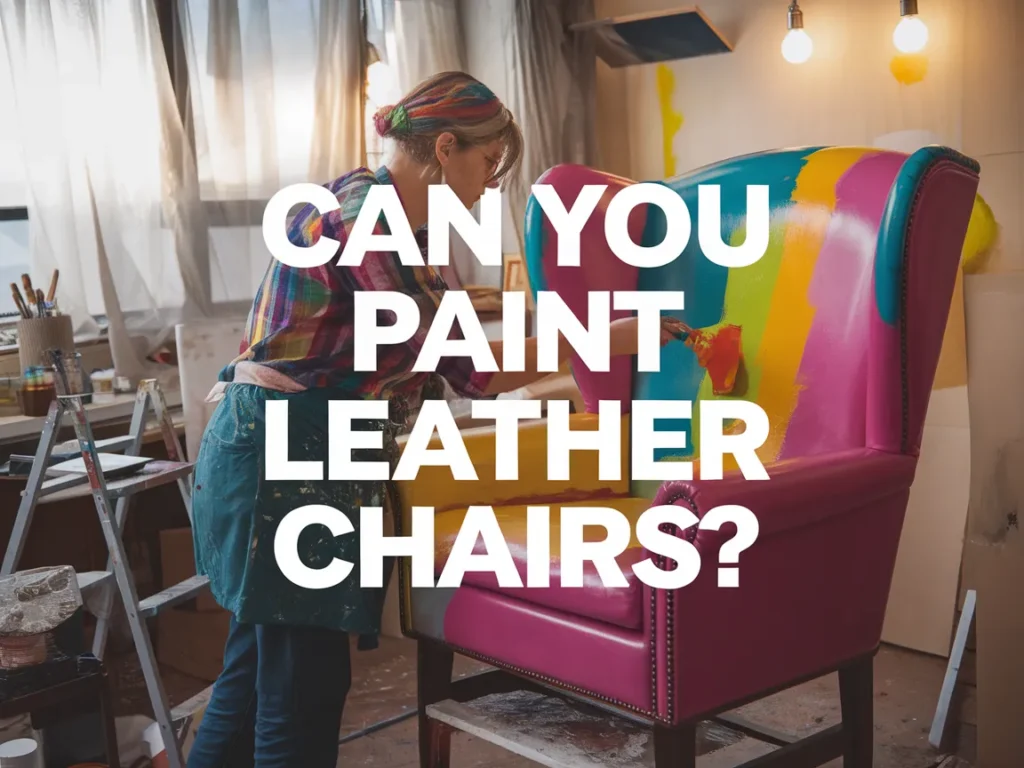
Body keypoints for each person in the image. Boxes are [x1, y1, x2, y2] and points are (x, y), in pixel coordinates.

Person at [185, 71, 686, 767]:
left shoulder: (367, 207)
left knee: (250, 682)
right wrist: (612, 336)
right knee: (300, 694)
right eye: (488, 164)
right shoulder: (372, 223)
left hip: (280, 448)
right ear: (446, 148)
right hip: (288, 458)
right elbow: (474, 368)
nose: (489, 185)